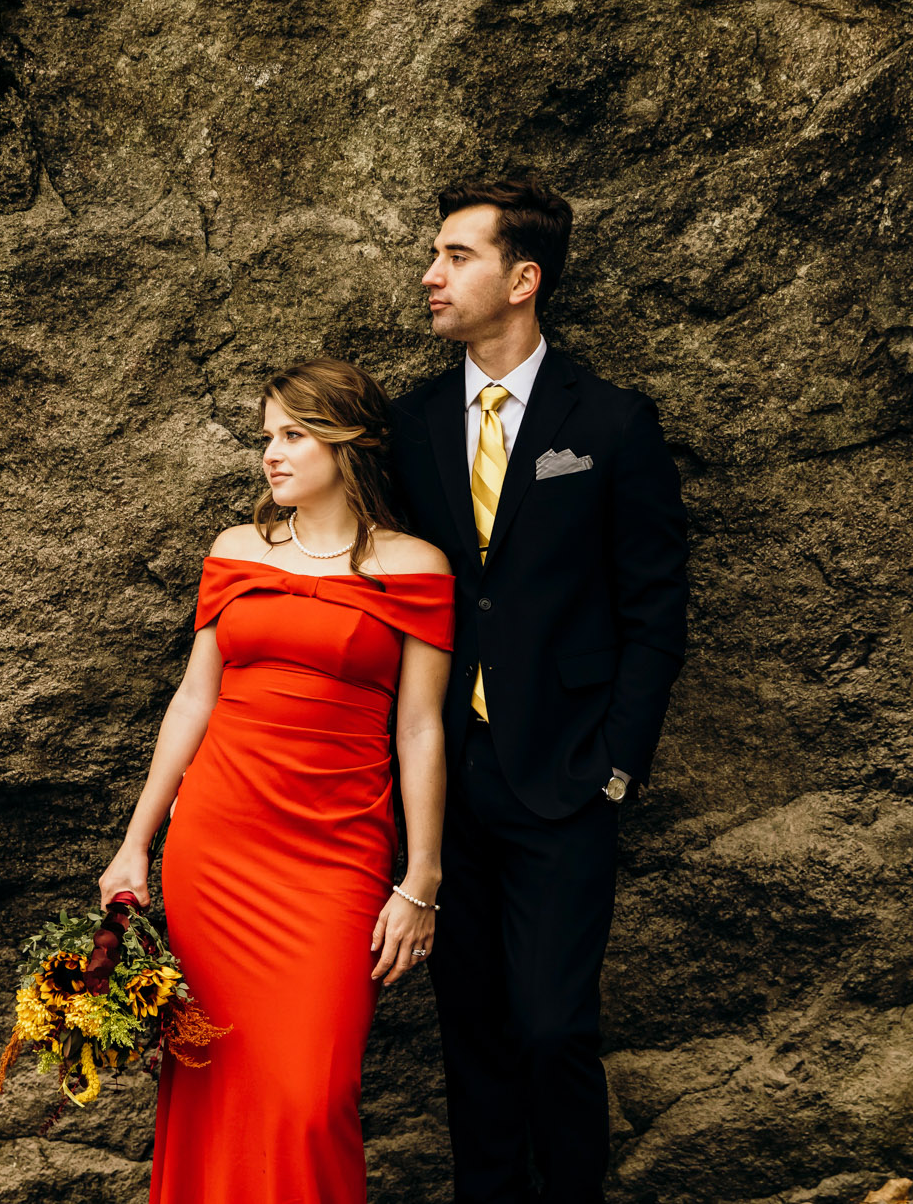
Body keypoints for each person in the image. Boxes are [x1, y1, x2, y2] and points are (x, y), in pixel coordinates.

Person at [389, 178, 688, 1203]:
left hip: (565, 781)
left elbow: (655, 611)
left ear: (523, 279)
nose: (431, 275)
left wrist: (614, 769)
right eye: (434, 255)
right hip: (449, 781)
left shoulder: (607, 423)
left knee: (553, 1026)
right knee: (468, 1029)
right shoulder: (415, 422)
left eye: (456, 256)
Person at [99, 358, 454, 1204]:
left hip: (336, 857)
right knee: (208, 1076)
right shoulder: (236, 550)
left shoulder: (418, 567)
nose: (272, 453)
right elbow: (192, 701)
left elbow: (421, 729)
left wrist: (423, 879)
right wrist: (134, 845)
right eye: (268, 435)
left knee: (311, 1094)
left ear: (349, 443)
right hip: (216, 850)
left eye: (293, 434)